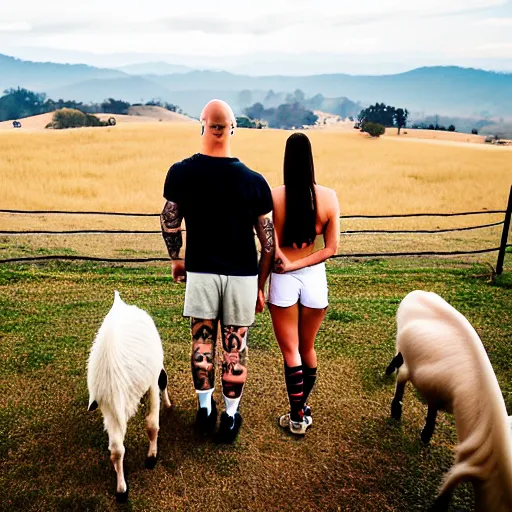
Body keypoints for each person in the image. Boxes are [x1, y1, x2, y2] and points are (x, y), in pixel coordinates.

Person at [160, 99, 274, 443]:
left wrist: (177, 259)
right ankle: (230, 417)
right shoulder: (254, 181)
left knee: (203, 345)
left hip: (201, 272)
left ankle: (205, 410)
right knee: (234, 348)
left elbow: (169, 221)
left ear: (202, 125)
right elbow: (268, 243)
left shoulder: (181, 172)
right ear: (233, 129)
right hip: (242, 275)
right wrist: (260, 285)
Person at [269, 132, 340, 436]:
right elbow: (330, 249)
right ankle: (299, 411)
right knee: (307, 348)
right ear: (311, 160)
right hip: (314, 279)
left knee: (291, 352)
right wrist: (300, 264)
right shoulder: (329, 197)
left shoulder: (275, 196)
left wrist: (286, 265)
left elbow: (269, 245)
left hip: (283, 278)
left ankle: (296, 416)